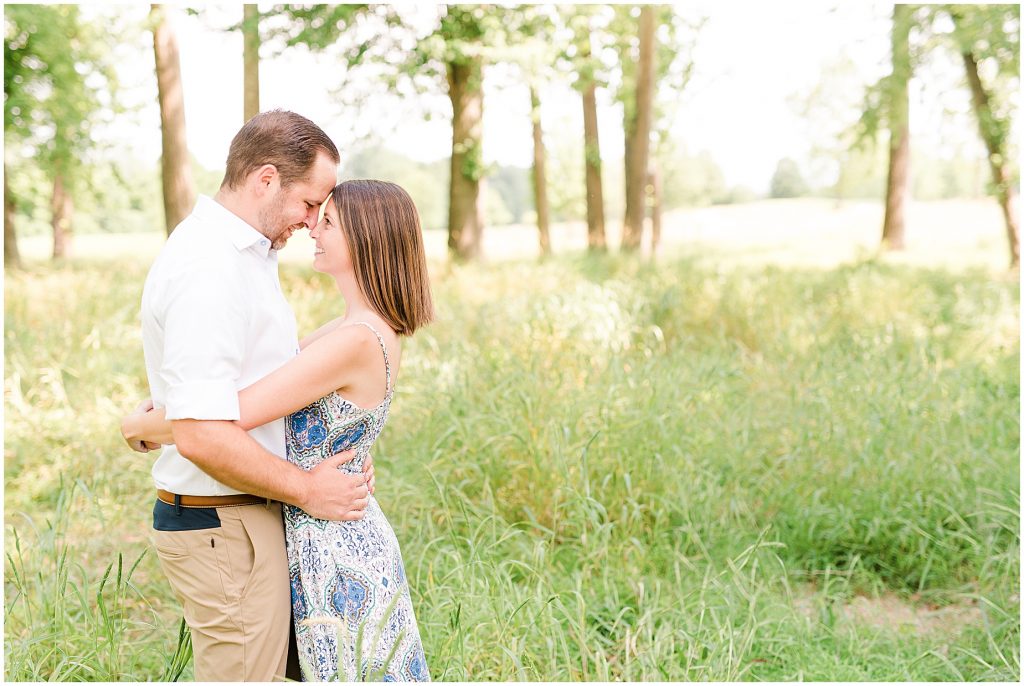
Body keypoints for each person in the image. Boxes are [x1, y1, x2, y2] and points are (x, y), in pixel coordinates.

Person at [124, 179, 434, 681]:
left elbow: (230, 412)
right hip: (327, 527)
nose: (314, 227)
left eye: (327, 221)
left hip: (337, 542)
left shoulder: (355, 339)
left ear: (365, 239)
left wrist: (140, 425)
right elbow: (268, 386)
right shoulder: (352, 328)